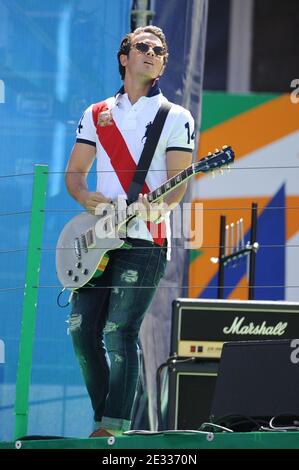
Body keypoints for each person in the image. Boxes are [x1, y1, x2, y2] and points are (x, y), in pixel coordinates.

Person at [65, 25, 195, 437]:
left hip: (146, 241)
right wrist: (89, 201)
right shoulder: (96, 112)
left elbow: (177, 188)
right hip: (97, 238)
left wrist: (153, 206)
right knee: (81, 332)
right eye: (144, 47)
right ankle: (108, 419)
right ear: (125, 58)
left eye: (160, 50)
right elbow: (75, 176)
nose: (153, 53)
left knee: (119, 332)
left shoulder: (175, 117)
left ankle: (110, 430)